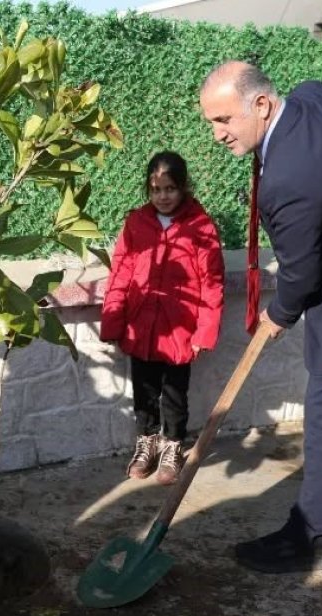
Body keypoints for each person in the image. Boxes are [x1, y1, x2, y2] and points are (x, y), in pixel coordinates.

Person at [199, 61, 322, 573]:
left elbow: (302, 277)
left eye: (224, 120)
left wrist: (278, 314)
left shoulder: (287, 181)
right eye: (212, 123)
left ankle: (313, 535)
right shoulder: (316, 95)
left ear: (261, 105)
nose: (219, 134)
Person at [101, 151, 224, 485]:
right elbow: (121, 273)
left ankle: (172, 446)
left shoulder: (200, 226)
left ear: (183, 187)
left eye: (169, 189)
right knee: (143, 392)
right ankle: (146, 443)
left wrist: (203, 332)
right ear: (148, 189)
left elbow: (212, 282)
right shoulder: (136, 223)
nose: (163, 196)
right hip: (141, 327)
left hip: (179, 330)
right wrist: (113, 321)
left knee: (173, 394)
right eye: (156, 189)